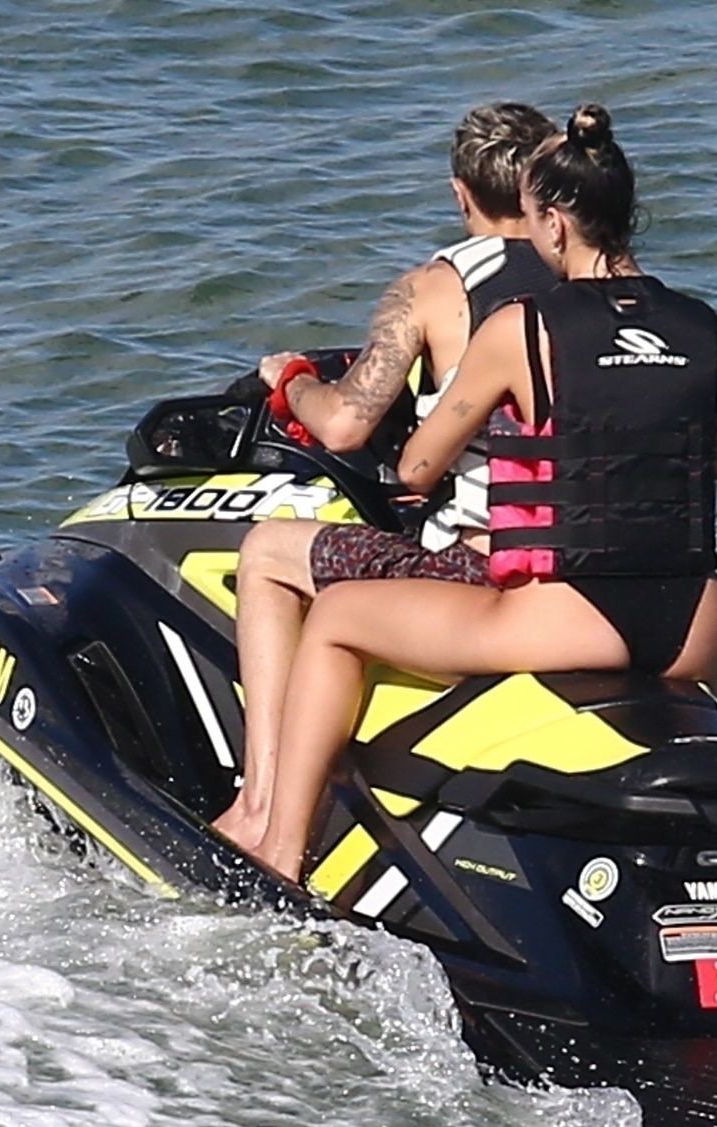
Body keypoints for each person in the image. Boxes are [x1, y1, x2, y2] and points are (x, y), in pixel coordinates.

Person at [239, 104, 717, 882]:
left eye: (537, 222)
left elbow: (417, 470)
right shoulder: (695, 323)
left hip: (577, 619)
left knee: (336, 618)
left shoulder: (523, 328)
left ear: (558, 226)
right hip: (700, 629)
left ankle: (276, 848)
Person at [213, 102, 556, 851]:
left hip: (480, 567)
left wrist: (292, 380)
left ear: (460, 193)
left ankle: (259, 804)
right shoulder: (592, 276)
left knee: (267, 552)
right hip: (586, 571)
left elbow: (345, 424)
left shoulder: (434, 287)